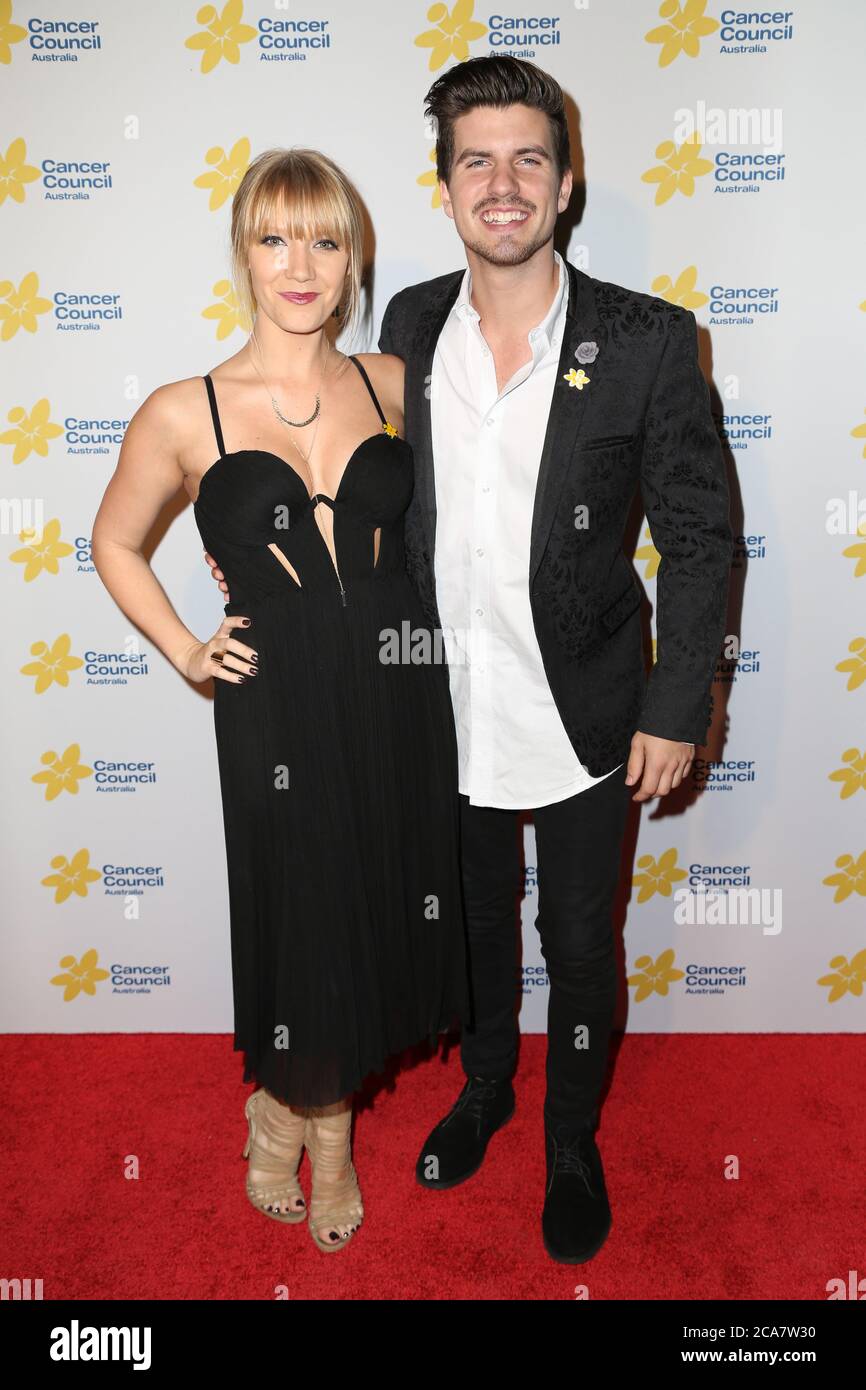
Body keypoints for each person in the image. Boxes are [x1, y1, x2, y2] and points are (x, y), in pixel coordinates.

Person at [207, 58, 733, 1265]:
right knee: (471, 929)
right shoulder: (407, 327)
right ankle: (487, 1087)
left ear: (567, 181)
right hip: (431, 703)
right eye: (474, 160)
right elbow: (340, 481)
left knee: (583, 943)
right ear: (444, 187)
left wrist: (676, 702)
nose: (501, 184)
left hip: (591, 705)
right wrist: (261, 566)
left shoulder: (649, 341)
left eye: (526, 159)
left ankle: (569, 1139)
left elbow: (700, 538)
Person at [92, 147, 469, 1254]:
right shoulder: (183, 408)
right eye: (273, 237)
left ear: (352, 256)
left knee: (384, 899)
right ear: (242, 254)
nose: (298, 264)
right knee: (306, 914)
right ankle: (321, 1132)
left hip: (403, 689)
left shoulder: (396, 382)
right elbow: (114, 541)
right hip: (277, 706)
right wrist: (183, 648)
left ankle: (286, 1110)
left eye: (323, 238)